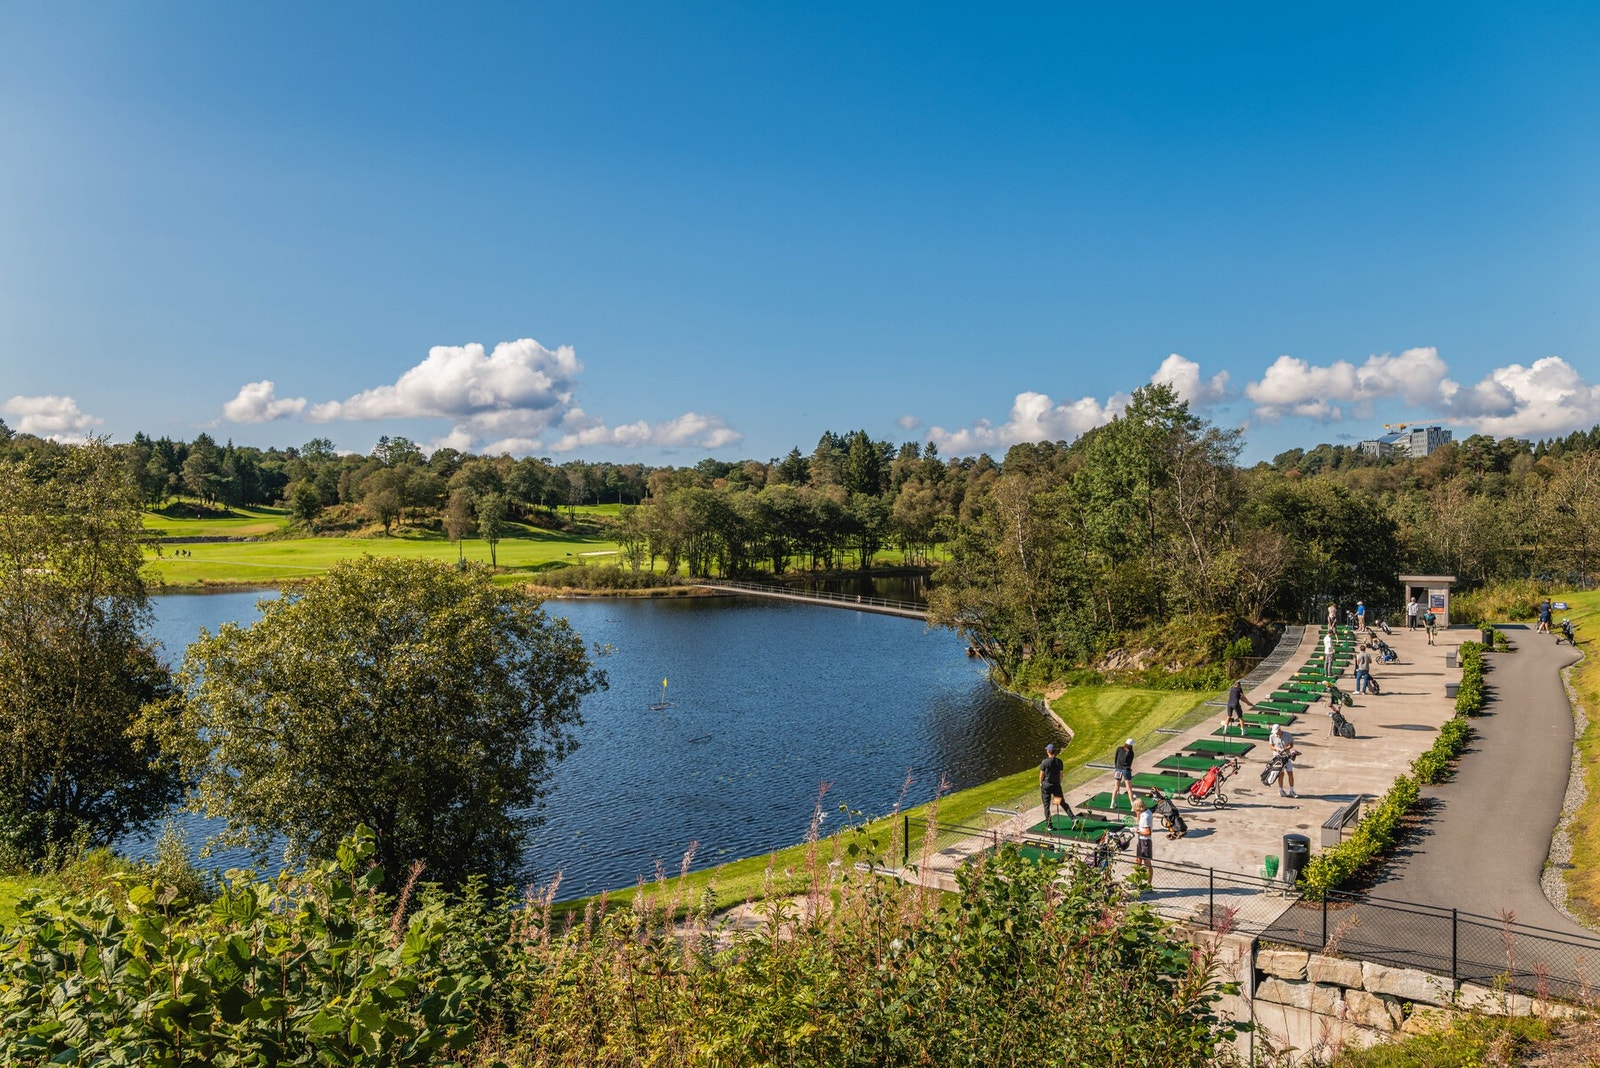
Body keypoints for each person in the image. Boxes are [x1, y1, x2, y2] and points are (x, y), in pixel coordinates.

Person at [1040, 742, 1070, 826]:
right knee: (1062, 802)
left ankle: (1049, 825)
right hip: (1056, 785)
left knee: (1046, 806)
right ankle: (1073, 818)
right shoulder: (1059, 762)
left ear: (1048, 751)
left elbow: (1041, 775)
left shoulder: (1044, 762)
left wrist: (1041, 783)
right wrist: (1059, 783)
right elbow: (1061, 774)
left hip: (1046, 785)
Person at [1269, 722, 1297, 798]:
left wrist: (1284, 749)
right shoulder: (1272, 736)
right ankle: (1281, 790)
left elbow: (1291, 745)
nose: (1276, 734)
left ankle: (1291, 791)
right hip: (1277, 758)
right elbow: (1271, 746)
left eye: (1276, 732)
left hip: (1286, 756)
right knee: (1281, 774)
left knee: (1290, 773)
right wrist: (1277, 749)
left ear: (1279, 730)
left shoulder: (1287, 735)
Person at [1111, 738, 1136, 810]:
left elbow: (1116, 758)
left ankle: (1112, 804)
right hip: (1126, 770)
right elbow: (1130, 763)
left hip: (1118, 769)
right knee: (1129, 788)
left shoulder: (1119, 748)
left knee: (1116, 787)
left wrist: (1117, 767)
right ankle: (1132, 805)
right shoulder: (1131, 753)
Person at [1131, 797, 1153, 874]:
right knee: (1137, 860)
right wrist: (1138, 814)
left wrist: (1137, 831)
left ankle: (1148, 883)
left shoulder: (1145, 817)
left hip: (1145, 841)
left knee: (1147, 863)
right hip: (1141, 839)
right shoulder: (1146, 812)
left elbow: (1148, 832)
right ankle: (1136, 881)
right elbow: (1140, 821)